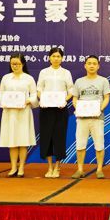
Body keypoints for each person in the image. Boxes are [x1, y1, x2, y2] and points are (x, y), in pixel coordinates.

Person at [0, 54, 38, 178]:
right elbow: (1, 95)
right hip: (10, 113)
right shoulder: (6, 78)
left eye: (18, 64)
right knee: (12, 140)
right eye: (13, 64)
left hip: (23, 112)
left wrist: (28, 101)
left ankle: (21, 168)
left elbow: (34, 95)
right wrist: (3, 102)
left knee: (23, 139)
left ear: (23, 64)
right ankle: (13, 167)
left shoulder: (29, 78)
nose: (15, 66)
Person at [37, 47, 74, 178]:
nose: (56, 58)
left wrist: (64, 100)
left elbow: (71, 90)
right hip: (46, 109)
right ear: (49, 58)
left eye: (58, 56)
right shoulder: (43, 72)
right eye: (53, 56)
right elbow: (39, 89)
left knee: (59, 137)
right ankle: (49, 167)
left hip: (60, 109)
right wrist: (42, 99)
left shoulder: (66, 73)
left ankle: (57, 166)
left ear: (62, 58)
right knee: (46, 137)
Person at [72, 55, 110, 179]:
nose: (92, 66)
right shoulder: (79, 81)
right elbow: (75, 98)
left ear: (98, 66)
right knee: (80, 144)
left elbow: (107, 98)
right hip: (82, 118)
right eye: (89, 63)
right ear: (85, 66)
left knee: (99, 144)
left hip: (97, 118)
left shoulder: (103, 81)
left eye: (94, 63)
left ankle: (99, 169)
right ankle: (80, 169)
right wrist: (78, 108)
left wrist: (99, 109)